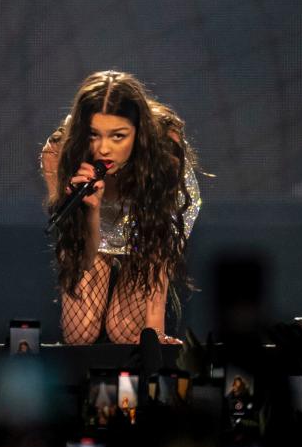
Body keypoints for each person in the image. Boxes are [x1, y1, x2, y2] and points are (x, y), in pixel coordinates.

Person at [41, 70, 200, 345]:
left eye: (118, 136)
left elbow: (157, 247)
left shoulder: (165, 150)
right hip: (94, 233)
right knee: (80, 335)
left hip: (145, 231)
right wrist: (91, 208)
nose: (104, 149)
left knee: (127, 333)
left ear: (139, 132)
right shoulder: (58, 155)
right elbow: (82, 254)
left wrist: (155, 333)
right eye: (94, 135)